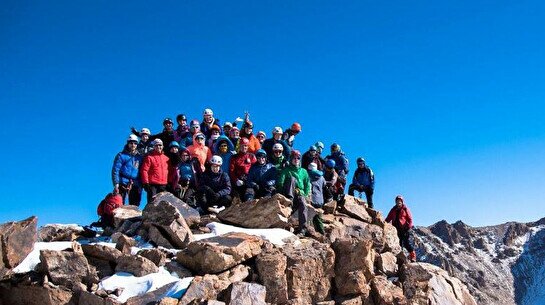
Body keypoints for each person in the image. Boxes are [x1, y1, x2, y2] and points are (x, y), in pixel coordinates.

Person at [277, 150, 311, 235]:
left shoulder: (304, 171)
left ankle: (303, 229)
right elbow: (280, 182)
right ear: (291, 159)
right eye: (294, 158)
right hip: (288, 193)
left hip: (299, 193)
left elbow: (307, 184)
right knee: (292, 179)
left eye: (298, 158)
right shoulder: (286, 170)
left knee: (303, 204)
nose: (296, 159)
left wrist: (305, 194)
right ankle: (290, 200)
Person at [111, 134, 143, 206]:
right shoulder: (121, 155)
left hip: (135, 183)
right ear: (128, 143)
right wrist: (116, 183)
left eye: (135, 143)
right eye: (131, 143)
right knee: (119, 203)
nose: (133, 145)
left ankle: (134, 217)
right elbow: (115, 170)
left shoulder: (139, 157)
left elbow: (141, 171)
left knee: (135, 205)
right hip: (122, 182)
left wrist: (141, 185)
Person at [385, 195, 416, 262]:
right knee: (399, 244)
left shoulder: (405, 209)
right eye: (397, 201)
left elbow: (410, 219)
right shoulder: (393, 209)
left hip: (405, 229)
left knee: (406, 243)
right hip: (396, 229)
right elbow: (388, 218)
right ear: (395, 202)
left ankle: (413, 256)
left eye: (400, 201)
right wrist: (383, 223)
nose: (398, 202)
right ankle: (400, 260)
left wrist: (409, 227)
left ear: (402, 202)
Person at [140, 139, 169, 203]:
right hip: (153, 185)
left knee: (162, 204)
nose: (159, 147)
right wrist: (146, 183)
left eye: (160, 145)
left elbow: (169, 171)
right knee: (152, 203)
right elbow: (144, 170)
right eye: (156, 145)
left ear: (163, 146)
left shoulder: (166, 158)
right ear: (154, 147)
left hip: (163, 185)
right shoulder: (149, 157)